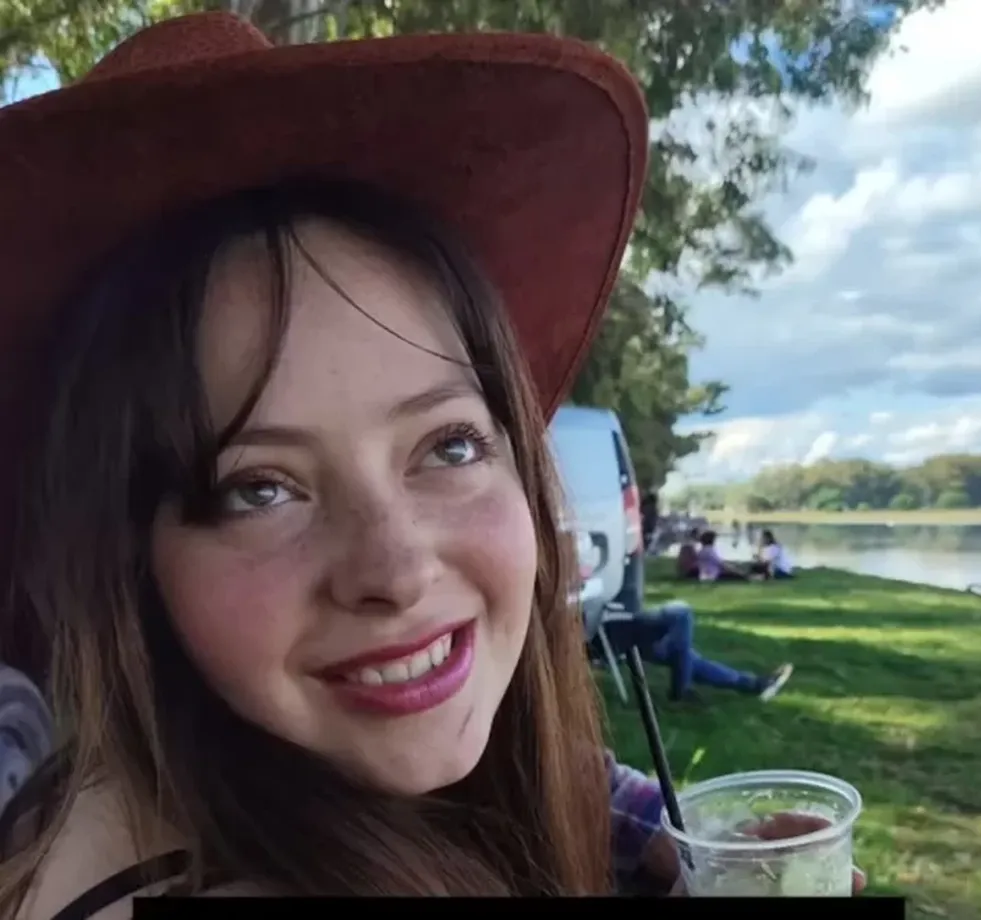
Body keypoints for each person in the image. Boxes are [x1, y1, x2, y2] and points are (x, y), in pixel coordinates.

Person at [0, 12, 862, 910]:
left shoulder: (211, 776)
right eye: (260, 488)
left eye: (448, 444)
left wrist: (655, 836)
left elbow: (569, 777)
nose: (399, 569)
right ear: (127, 556)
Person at [603, 602, 793, 704]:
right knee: (682, 613)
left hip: (617, 623)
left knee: (684, 655)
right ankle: (680, 691)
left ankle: (755, 685)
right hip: (610, 627)